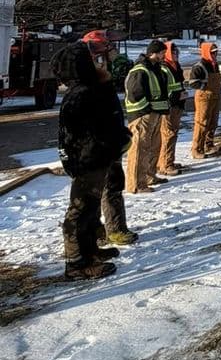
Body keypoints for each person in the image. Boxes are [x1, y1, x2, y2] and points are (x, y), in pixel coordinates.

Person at [52, 42, 133, 281]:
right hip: (87, 162)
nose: (96, 63)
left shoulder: (92, 88)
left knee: (92, 209)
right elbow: (72, 136)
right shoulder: (79, 95)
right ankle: (76, 264)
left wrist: (105, 80)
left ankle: (91, 251)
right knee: (79, 212)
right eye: (90, 61)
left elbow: (109, 115)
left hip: (99, 159)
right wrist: (82, 160)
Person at [124, 41, 170, 193]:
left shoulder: (155, 69)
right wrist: (146, 110)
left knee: (152, 148)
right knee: (139, 150)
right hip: (142, 117)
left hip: (155, 115)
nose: (164, 56)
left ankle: (149, 176)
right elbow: (135, 94)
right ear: (153, 53)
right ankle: (136, 184)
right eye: (162, 53)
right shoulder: (140, 70)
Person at [157, 40, 187, 177]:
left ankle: (168, 160)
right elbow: (163, 91)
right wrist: (177, 96)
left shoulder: (175, 66)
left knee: (172, 134)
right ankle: (165, 164)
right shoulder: (164, 68)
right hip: (169, 106)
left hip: (177, 106)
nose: (176, 54)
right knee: (168, 135)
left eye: (177, 52)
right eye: (173, 52)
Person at [190, 41, 221, 159]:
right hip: (204, 98)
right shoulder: (199, 66)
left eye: (216, 52)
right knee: (202, 123)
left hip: (215, 97)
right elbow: (193, 83)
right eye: (212, 52)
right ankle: (196, 149)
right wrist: (205, 87)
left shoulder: (215, 65)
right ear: (206, 52)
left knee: (213, 122)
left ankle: (209, 145)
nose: (215, 54)